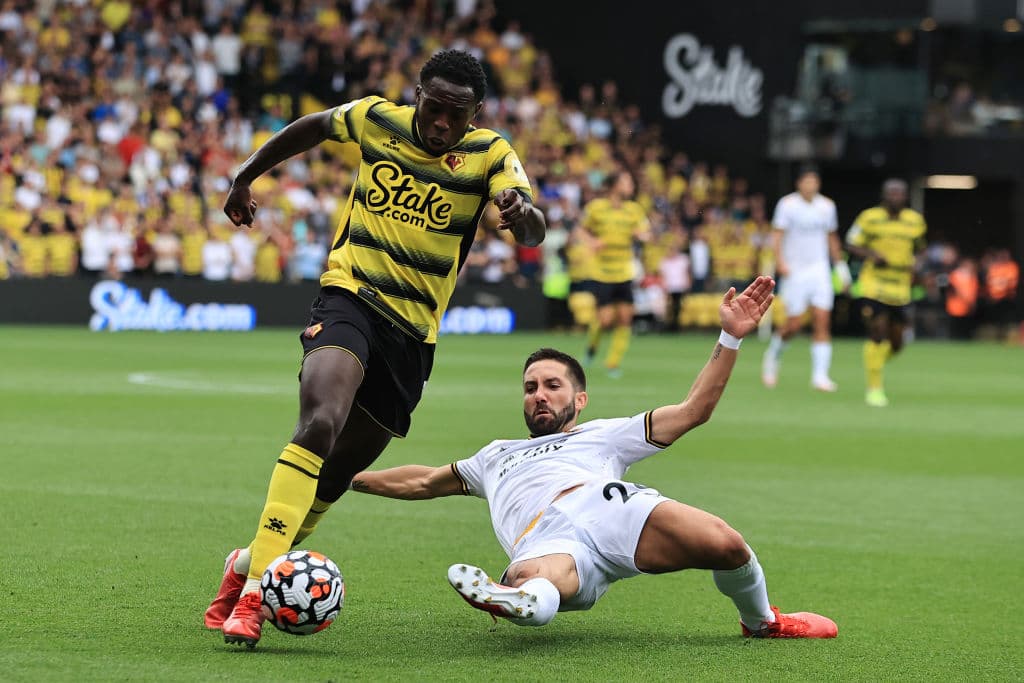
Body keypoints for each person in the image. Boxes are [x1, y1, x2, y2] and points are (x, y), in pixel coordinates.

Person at [205, 49, 546, 648]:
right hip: (349, 298)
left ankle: (248, 561)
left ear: (476, 113)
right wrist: (245, 174)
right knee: (319, 423)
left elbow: (533, 228)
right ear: (417, 94)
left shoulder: (491, 153)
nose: (441, 124)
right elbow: (313, 126)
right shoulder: (377, 120)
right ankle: (257, 591)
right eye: (433, 108)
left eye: (456, 115)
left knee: (336, 474)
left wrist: (522, 215)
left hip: (411, 336)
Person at [350, 277, 837, 639]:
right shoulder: (495, 456)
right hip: (546, 535)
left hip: (611, 509)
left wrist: (730, 337)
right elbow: (421, 482)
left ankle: (763, 622)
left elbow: (694, 411)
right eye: (530, 388)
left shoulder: (605, 434)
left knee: (727, 544)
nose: (539, 395)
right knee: (539, 581)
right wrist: (350, 475)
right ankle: (514, 599)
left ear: (578, 400)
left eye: (552, 386)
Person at [761, 169, 850, 392]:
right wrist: (780, 262)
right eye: (807, 182)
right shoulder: (787, 205)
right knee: (794, 324)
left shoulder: (827, 206)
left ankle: (820, 376)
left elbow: (832, 237)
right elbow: (778, 235)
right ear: (799, 183)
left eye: (814, 182)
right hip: (795, 271)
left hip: (819, 271)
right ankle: (773, 355)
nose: (810, 186)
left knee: (822, 320)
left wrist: (840, 268)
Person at [845, 179, 926, 407]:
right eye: (892, 192)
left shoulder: (915, 221)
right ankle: (874, 388)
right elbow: (851, 243)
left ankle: (876, 362)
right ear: (883, 195)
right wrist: (872, 254)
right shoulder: (869, 217)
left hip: (900, 287)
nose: (896, 196)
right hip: (874, 284)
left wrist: (917, 264)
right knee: (877, 331)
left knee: (897, 343)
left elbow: (921, 249)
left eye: (900, 193)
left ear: (906, 196)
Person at [579, 170, 651, 377]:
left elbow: (646, 231)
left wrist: (642, 235)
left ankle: (612, 363)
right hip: (601, 272)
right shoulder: (596, 208)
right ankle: (592, 348)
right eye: (627, 181)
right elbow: (581, 230)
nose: (631, 186)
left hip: (624, 271)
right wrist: (592, 242)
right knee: (604, 320)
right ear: (614, 185)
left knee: (625, 318)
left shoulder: (634, 210)